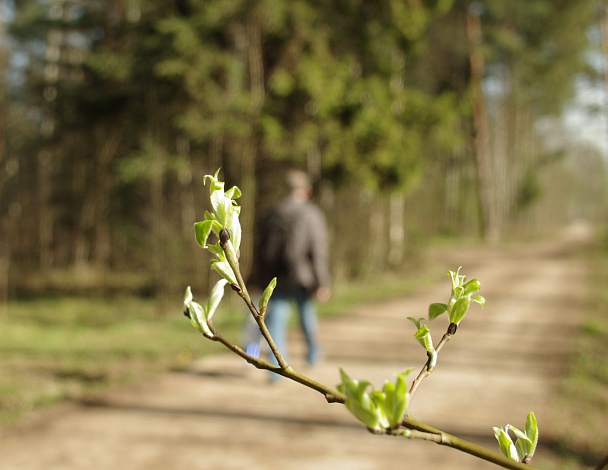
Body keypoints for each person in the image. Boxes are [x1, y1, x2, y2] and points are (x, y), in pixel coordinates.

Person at [257, 169, 331, 373]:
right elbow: (318, 250)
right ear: (307, 190)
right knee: (307, 318)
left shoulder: (272, 214)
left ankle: (277, 369)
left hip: (276, 280)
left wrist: (260, 279)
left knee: (276, 323)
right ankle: (313, 355)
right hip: (303, 278)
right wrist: (322, 282)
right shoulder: (312, 214)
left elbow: (261, 250)